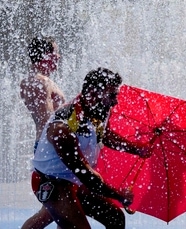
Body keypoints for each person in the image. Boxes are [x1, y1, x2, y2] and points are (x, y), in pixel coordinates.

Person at [31, 67, 151, 229]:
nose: (115, 101)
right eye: (111, 95)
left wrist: (136, 148)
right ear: (93, 93)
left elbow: (106, 136)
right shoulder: (62, 128)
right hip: (53, 182)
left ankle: (60, 209)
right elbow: (88, 177)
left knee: (115, 218)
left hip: (75, 180)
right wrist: (119, 195)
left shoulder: (98, 110)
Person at [20, 36, 65, 229]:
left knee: (60, 208)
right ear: (44, 56)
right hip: (50, 148)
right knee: (55, 209)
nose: (59, 56)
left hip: (51, 146)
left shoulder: (44, 81)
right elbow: (48, 121)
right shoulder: (38, 82)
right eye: (55, 52)